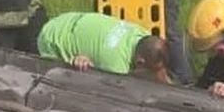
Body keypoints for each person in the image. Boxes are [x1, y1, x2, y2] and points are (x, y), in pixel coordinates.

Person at [38, 12, 170, 83]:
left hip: (67, 18)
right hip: (52, 38)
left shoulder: (142, 33)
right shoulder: (116, 67)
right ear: (140, 62)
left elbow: (160, 71)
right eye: (150, 70)